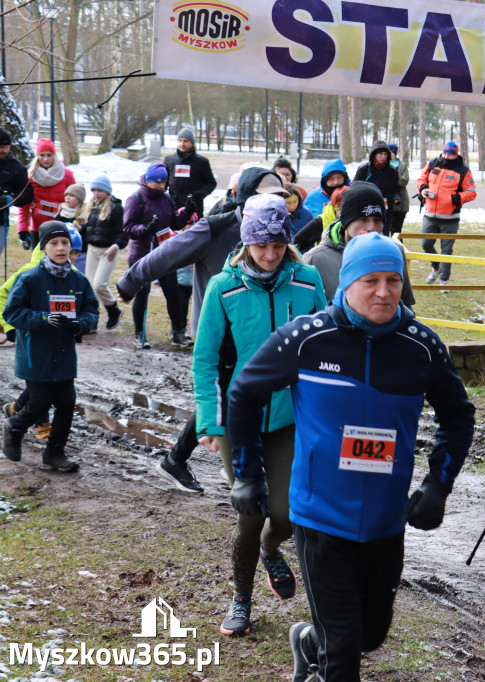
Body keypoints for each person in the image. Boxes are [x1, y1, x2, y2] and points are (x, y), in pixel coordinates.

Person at [227, 231, 474, 679]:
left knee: (370, 635)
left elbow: (458, 416)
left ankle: (308, 640)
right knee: (343, 650)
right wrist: (247, 474)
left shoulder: (421, 347)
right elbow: (244, 393)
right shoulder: (307, 339)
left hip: (385, 519)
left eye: (393, 281)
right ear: (347, 283)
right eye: (370, 281)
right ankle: (324, 653)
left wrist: (438, 486)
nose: (383, 292)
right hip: (321, 516)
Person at [192, 193, 326, 636]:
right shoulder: (222, 287)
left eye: (277, 246)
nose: (269, 255)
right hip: (238, 421)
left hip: (289, 418)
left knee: (287, 515)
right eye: (260, 246)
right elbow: (205, 359)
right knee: (251, 511)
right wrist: (210, 421)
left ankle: (272, 549)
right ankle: (241, 599)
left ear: (288, 242)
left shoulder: (306, 281)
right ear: (246, 241)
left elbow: (322, 350)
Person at [117, 167, 290, 494]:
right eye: (263, 198)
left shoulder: (282, 232)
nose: (272, 206)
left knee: (239, 394)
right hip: (218, 332)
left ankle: (195, 462)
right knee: (225, 394)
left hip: (254, 331)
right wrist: (130, 281)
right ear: (244, 199)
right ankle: (218, 468)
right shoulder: (215, 229)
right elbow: (167, 255)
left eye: (278, 198)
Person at [1, 221, 98, 472]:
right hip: (36, 353)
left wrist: (82, 324)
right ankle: (14, 427)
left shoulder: (78, 280)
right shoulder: (29, 278)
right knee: (39, 402)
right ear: (44, 247)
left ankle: (54, 453)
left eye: (65, 243)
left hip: (64, 353)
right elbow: (12, 312)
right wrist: (43, 319)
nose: (61, 248)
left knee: (67, 403)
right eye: (54, 243)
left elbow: (91, 311)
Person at [302, 181, 415, 308]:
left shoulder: (395, 252)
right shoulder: (315, 259)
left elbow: (405, 308)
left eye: (377, 220)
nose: (371, 227)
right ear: (346, 221)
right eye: (363, 219)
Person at [121, 163, 189, 349]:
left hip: (164, 253)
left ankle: (178, 332)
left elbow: (174, 221)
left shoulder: (166, 198)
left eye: (163, 182)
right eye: (156, 182)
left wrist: (187, 213)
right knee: (142, 295)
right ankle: (139, 334)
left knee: (173, 294)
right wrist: (145, 229)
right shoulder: (135, 199)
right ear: (147, 181)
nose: (160, 186)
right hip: (142, 254)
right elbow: (127, 227)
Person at [418, 141, 476, 286]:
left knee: (446, 250)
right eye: (444, 153)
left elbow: (471, 193)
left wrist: (456, 198)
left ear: (455, 155)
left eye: (449, 154)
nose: (446, 156)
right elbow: (421, 179)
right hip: (429, 215)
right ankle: (436, 267)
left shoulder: (463, 171)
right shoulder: (432, 164)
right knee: (426, 244)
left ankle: (444, 280)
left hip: (450, 218)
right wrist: (423, 189)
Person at [79, 175, 126, 331]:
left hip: (108, 251)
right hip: (92, 249)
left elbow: (123, 232)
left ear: (107, 191)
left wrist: (116, 246)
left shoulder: (116, 208)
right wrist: (80, 231)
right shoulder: (90, 206)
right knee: (90, 288)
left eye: (100, 190)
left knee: (99, 284)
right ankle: (92, 320)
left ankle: (113, 310)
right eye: (94, 190)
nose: (96, 193)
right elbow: (90, 230)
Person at [18, 138, 75, 250]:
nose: (46, 159)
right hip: (38, 228)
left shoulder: (67, 175)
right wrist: (22, 229)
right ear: (37, 157)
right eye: (42, 155)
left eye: (49, 155)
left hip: (61, 226)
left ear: (54, 155)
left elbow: (75, 201)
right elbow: (24, 206)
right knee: (37, 263)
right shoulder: (31, 177)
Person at [163, 127, 217, 219]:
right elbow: (164, 183)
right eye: (180, 141)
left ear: (192, 143)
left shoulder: (201, 162)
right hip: (174, 206)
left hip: (194, 207)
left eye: (185, 141)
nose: (182, 144)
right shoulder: (169, 160)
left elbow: (211, 183)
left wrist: (198, 195)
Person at [0, 127, 34, 259]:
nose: (3, 150)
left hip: (1, 221)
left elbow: (26, 193)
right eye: (0, 147)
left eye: (6, 147)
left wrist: (12, 199)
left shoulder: (16, 167)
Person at [353, 140, 401, 229]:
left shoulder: (392, 171)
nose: (383, 157)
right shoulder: (363, 169)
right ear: (374, 154)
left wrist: (396, 198)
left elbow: (397, 188)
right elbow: (354, 188)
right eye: (380, 154)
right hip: (366, 208)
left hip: (386, 209)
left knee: (383, 233)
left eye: (385, 154)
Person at [292, 187, 346, 253]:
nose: (343, 210)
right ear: (333, 205)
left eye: (347, 206)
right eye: (339, 206)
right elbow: (296, 244)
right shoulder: (321, 221)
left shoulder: (356, 221)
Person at [386, 142, 410, 237]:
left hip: (401, 204)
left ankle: (399, 250)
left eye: (390, 152)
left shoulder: (402, 166)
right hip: (386, 203)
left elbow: (404, 181)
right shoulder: (382, 165)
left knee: (396, 232)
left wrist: (393, 174)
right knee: (385, 230)